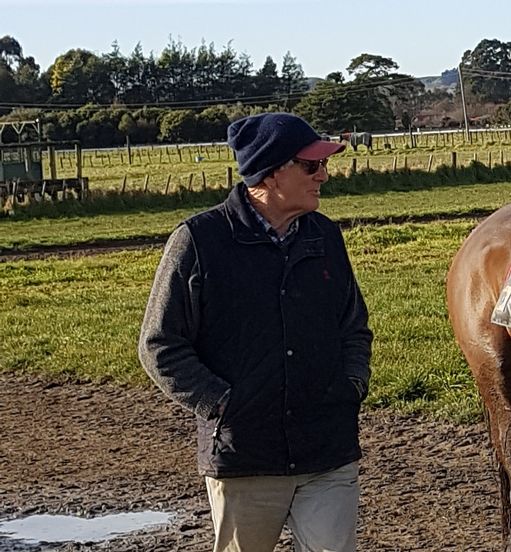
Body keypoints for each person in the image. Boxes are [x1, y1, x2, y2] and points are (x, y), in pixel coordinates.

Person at [139, 113, 373, 552]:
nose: (323, 175)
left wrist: (351, 385)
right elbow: (159, 345)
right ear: (271, 171)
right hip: (244, 458)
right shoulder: (198, 241)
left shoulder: (325, 237)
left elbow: (353, 326)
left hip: (328, 451)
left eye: (323, 165)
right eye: (311, 166)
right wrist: (222, 404)